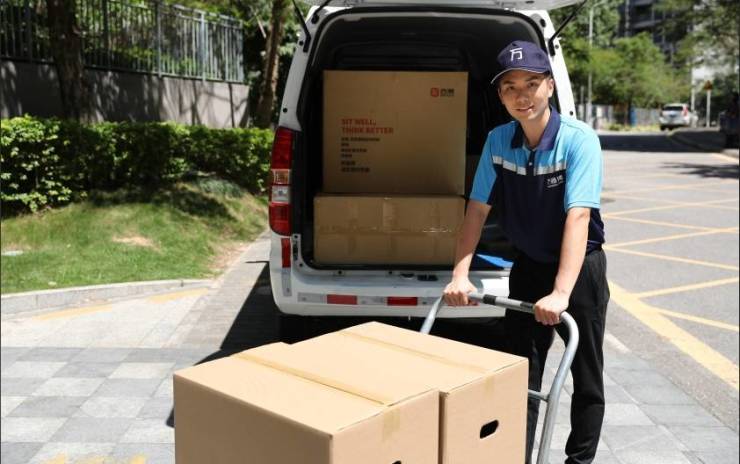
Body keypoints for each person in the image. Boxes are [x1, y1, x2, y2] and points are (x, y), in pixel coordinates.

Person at [443, 40, 610, 464]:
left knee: (585, 374)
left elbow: (578, 217)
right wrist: (460, 275)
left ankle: (579, 461)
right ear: (500, 96)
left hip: (579, 270)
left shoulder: (579, 141)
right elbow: (476, 211)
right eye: (510, 87)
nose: (522, 96)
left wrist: (561, 293)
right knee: (521, 372)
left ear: (549, 86)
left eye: (531, 84)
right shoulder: (498, 141)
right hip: (530, 265)